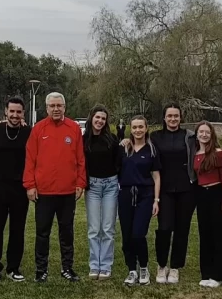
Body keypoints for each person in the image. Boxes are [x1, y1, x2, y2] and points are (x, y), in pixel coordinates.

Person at [24, 91, 85, 282]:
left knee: (66, 232)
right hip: (44, 192)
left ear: (64, 107)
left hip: (67, 192)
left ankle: (67, 268)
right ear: (47, 107)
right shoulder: (38, 129)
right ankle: (41, 270)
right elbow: (30, 159)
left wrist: (80, 183)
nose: (56, 109)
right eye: (52, 106)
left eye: (59, 106)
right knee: (43, 233)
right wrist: (30, 185)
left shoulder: (74, 128)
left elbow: (80, 159)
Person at [151, 104, 198, 284]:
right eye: (169, 116)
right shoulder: (155, 137)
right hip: (164, 190)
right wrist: (125, 141)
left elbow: (205, 146)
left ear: (180, 117)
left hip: (187, 189)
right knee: (164, 228)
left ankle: (176, 267)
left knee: (181, 230)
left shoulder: (189, 137)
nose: (173, 119)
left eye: (176, 116)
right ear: (164, 118)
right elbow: (138, 141)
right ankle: (162, 265)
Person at [0, 97, 31, 282]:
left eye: (18, 112)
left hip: (20, 188)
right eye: (11, 111)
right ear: (6, 112)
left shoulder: (29, 132)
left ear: (23, 113)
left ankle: (13, 267)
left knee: (17, 229)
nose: (15, 115)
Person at [118, 116, 160, 285]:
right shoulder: (125, 148)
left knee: (138, 234)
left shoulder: (151, 150)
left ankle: (143, 267)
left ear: (146, 127)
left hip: (145, 195)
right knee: (127, 235)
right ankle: (132, 270)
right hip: (126, 195)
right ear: (131, 128)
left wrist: (156, 200)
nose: (137, 130)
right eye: (134, 127)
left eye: (140, 127)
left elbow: (157, 177)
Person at [83, 106, 121, 280]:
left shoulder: (111, 140)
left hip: (111, 185)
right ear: (91, 118)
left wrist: (125, 142)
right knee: (93, 228)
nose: (100, 121)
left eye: (103, 119)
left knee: (107, 228)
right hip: (93, 186)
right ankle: (94, 265)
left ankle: (105, 266)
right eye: (97, 117)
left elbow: (120, 160)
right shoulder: (83, 140)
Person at [193, 120, 222, 287]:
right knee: (205, 234)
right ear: (197, 134)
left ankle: (219, 275)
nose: (204, 135)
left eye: (207, 132)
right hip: (202, 195)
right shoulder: (195, 153)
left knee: (218, 235)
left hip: (217, 194)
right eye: (201, 132)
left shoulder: (219, 153)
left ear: (212, 134)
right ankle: (206, 273)